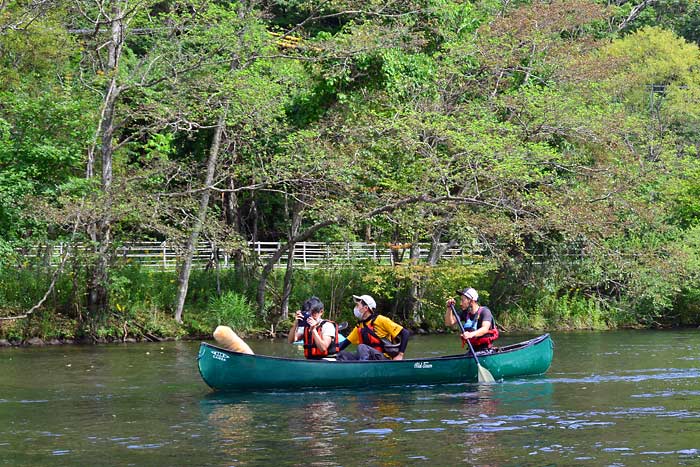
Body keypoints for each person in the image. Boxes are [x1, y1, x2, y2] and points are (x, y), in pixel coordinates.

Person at [336, 294, 410, 361]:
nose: (356, 308)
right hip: (368, 359)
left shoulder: (381, 320)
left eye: (358, 305)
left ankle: (362, 370)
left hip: (383, 359)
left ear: (365, 308)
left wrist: (400, 355)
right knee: (342, 354)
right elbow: (343, 344)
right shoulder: (359, 326)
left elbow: (405, 333)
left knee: (362, 347)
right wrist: (328, 348)